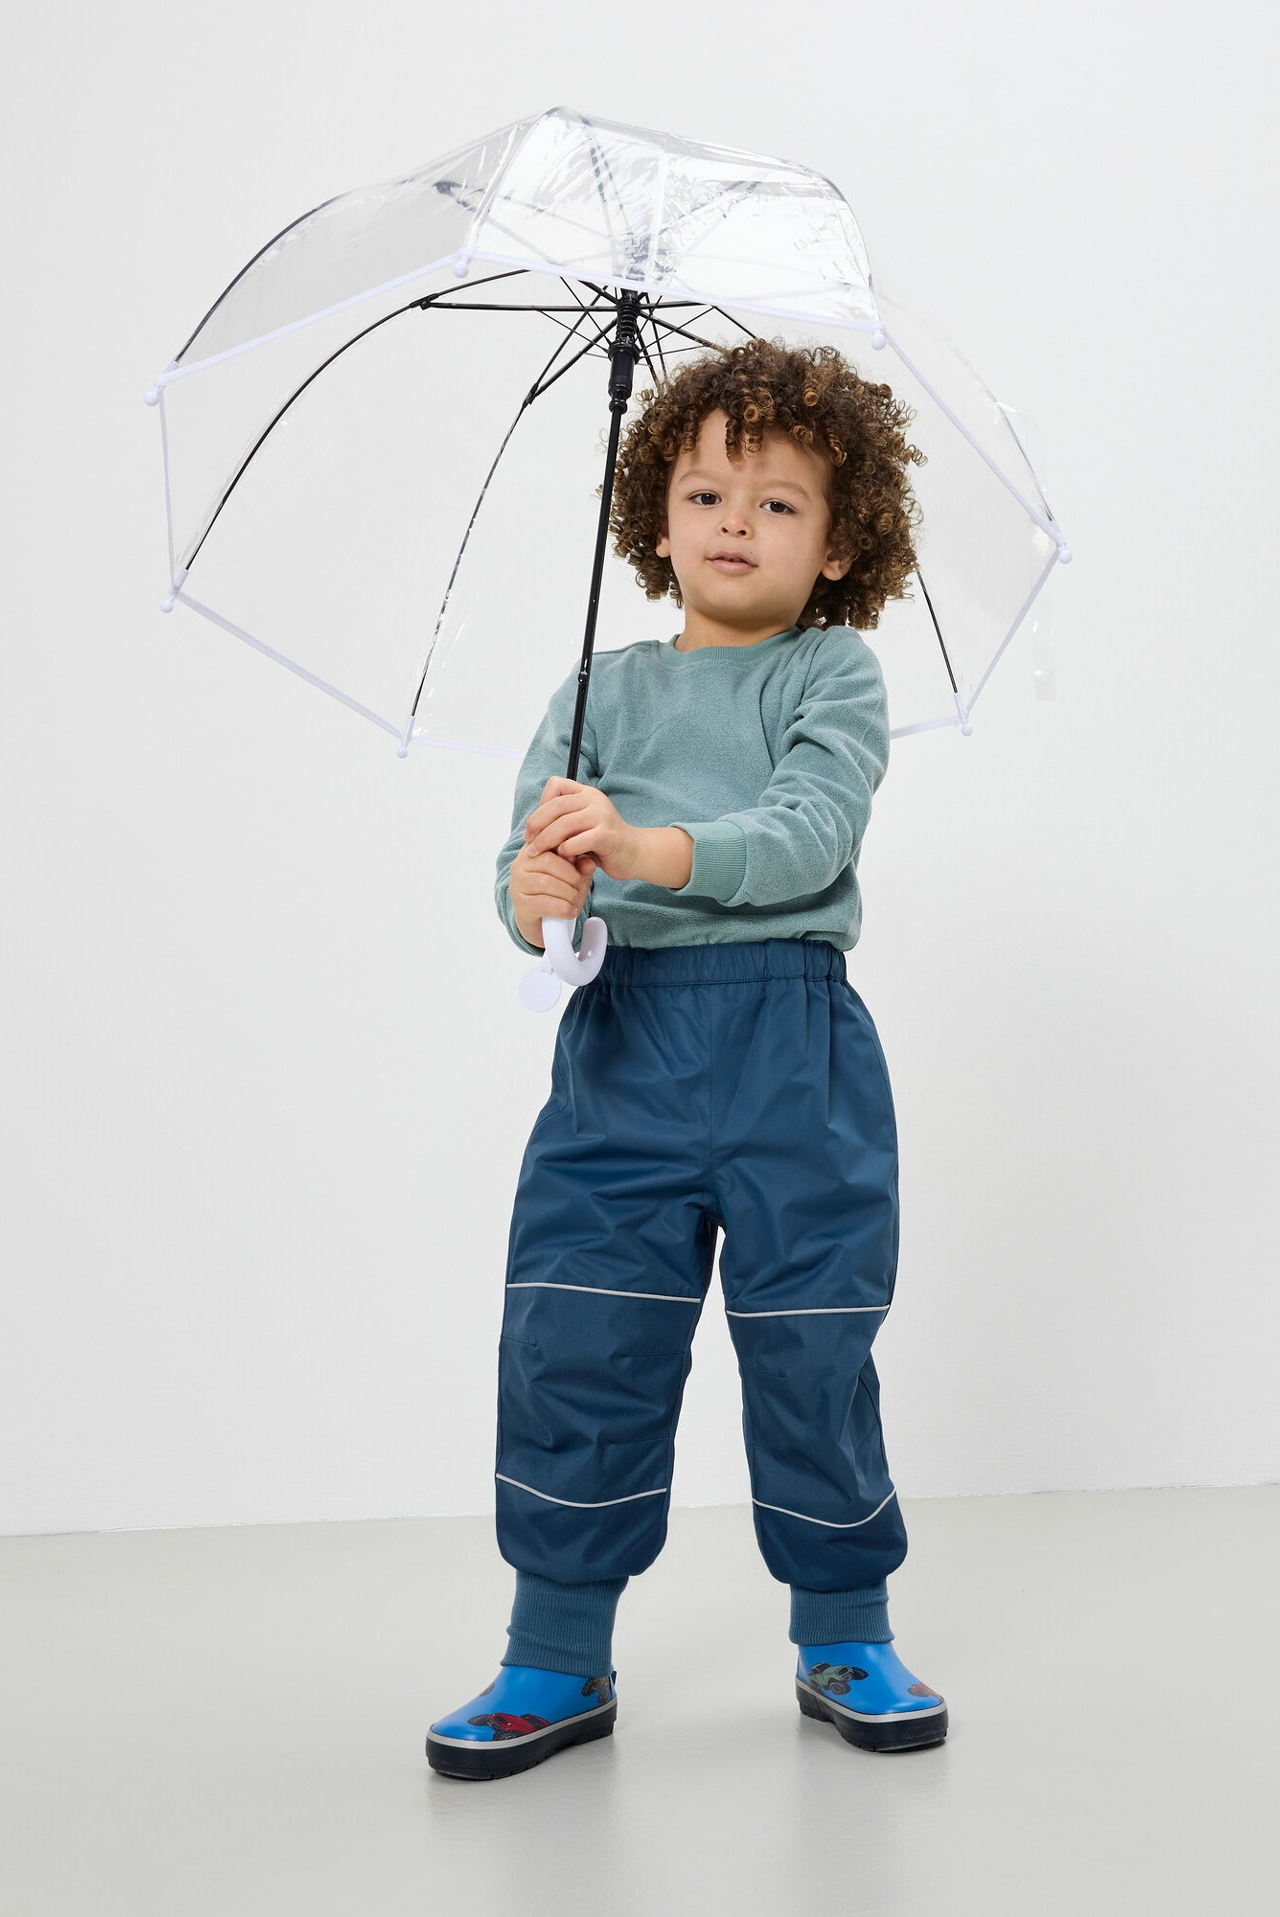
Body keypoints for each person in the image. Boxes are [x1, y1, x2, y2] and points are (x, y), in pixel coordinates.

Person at [425, 339, 947, 1779]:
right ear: (652, 519)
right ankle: (553, 1651)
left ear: (841, 541)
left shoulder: (829, 672)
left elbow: (805, 836)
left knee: (810, 1349)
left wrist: (647, 849)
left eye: (778, 503)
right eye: (705, 490)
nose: (734, 521)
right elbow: (526, 881)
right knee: (576, 1341)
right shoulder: (597, 697)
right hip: (623, 1057)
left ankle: (843, 1622)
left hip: (796, 1056)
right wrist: (534, 894)